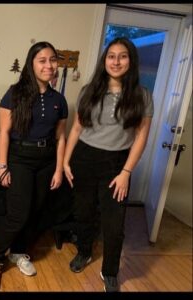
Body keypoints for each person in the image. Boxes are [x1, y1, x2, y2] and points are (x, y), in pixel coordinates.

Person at [63, 37, 154, 292]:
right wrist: (66, 161)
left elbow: (141, 138)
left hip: (117, 163)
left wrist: (126, 172)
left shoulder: (142, 96)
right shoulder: (89, 90)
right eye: (111, 56)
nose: (116, 61)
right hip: (85, 157)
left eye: (122, 56)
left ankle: (110, 272)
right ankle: (84, 251)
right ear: (105, 61)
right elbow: (78, 128)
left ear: (131, 60)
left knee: (114, 223)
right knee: (83, 213)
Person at [0, 41, 68, 290]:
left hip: (47, 160)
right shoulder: (14, 93)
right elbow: (5, 133)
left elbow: (60, 137)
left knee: (35, 212)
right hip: (20, 158)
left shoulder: (59, 100)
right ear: (32, 63)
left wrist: (59, 168)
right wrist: (2, 167)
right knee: (18, 213)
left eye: (52, 60)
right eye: (42, 60)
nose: (48, 65)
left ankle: (18, 252)